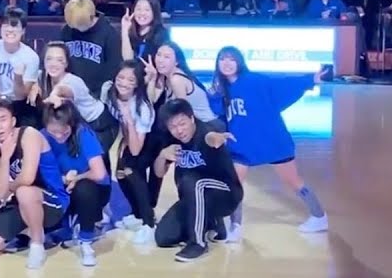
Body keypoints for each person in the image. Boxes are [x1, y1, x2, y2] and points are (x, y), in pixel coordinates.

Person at [209, 46, 330, 241]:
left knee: (293, 181)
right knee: (235, 184)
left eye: (231, 59)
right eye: (222, 59)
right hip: (241, 143)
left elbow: (283, 84)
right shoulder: (219, 88)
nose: (227, 63)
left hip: (271, 140)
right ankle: (235, 227)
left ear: (239, 62)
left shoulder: (255, 80)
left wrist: (310, 79)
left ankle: (319, 216)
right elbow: (216, 113)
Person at [0, 99, 69, 269]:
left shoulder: (29, 135)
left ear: (13, 121)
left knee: (24, 191)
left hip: (52, 201)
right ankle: (27, 230)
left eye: (3, 119)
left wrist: (10, 188)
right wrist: (5, 158)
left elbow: (27, 178)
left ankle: (37, 244)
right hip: (19, 203)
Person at [152, 98, 241, 263]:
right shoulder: (171, 140)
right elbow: (158, 173)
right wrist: (162, 155)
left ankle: (198, 243)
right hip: (193, 199)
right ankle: (212, 223)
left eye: (182, 124)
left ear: (192, 118)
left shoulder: (205, 131)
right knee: (163, 237)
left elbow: (210, 137)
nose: (179, 130)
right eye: (173, 126)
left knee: (192, 180)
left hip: (226, 194)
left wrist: (217, 138)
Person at [42, 101, 110, 266]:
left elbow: (99, 173)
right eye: (54, 132)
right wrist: (63, 179)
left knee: (84, 189)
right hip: (60, 187)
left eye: (63, 131)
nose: (59, 136)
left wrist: (77, 178)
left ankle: (86, 239)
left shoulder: (83, 133)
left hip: (92, 189)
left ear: (71, 124)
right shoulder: (41, 137)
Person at [103, 60, 157, 243]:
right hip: (127, 137)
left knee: (132, 170)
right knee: (120, 173)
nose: (124, 83)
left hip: (147, 141)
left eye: (131, 80)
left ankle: (149, 223)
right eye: (121, 77)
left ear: (137, 84)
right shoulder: (108, 91)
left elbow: (135, 149)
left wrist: (128, 119)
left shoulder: (142, 108)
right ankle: (137, 215)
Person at [0, 7, 42, 127]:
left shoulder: (31, 56)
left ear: (23, 31)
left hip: (20, 105)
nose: (9, 30)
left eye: (15, 26)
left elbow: (21, 95)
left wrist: (18, 77)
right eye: (5, 26)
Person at [59, 0, 122, 102]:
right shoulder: (67, 30)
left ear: (91, 17)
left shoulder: (109, 33)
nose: (76, 29)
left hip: (96, 95)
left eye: (79, 26)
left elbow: (113, 67)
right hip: (70, 93)